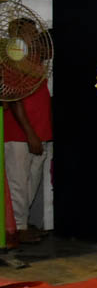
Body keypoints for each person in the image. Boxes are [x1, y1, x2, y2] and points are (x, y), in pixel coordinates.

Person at [3, 17, 53, 244]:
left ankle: (22, 224)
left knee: (31, 181)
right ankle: (16, 229)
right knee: (18, 182)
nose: (34, 36)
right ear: (16, 35)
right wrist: (30, 134)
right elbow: (15, 101)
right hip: (20, 134)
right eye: (29, 32)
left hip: (40, 131)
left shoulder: (33, 63)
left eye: (35, 32)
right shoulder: (12, 61)